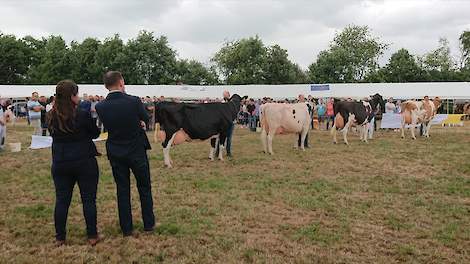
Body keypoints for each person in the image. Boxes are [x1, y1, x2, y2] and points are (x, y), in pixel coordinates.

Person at [95, 71, 155, 237]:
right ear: (121, 82)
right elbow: (146, 117)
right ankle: (148, 224)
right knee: (144, 187)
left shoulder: (100, 106)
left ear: (106, 86)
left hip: (115, 149)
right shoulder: (133, 101)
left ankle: (126, 228)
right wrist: (139, 123)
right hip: (136, 149)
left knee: (122, 189)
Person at [47, 80, 101, 246]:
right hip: (84, 160)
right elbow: (95, 133)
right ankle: (92, 235)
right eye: (76, 94)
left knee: (62, 200)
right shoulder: (82, 114)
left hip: (61, 161)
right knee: (88, 200)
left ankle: (60, 237)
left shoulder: (50, 115)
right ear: (72, 96)